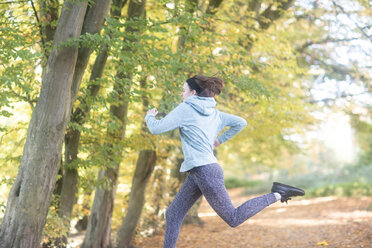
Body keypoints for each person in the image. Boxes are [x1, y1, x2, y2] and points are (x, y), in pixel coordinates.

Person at [145, 75, 305, 248]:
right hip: (200, 172)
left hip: (205, 172)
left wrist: (149, 116)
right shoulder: (215, 114)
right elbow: (240, 122)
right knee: (173, 214)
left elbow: (155, 128)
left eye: (183, 91)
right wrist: (219, 140)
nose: (181, 94)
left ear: (192, 92)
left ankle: (278, 194)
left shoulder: (185, 108)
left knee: (233, 218)